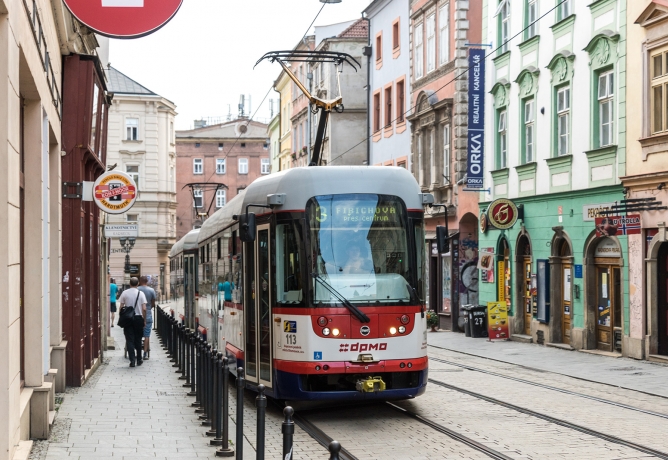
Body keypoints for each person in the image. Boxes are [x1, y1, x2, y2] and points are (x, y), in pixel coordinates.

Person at [118, 277, 147, 368]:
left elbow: (121, 307)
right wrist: (144, 320)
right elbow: (144, 309)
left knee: (129, 340)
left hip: (128, 319)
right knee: (138, 339)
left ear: (129, 284)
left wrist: (121, 317)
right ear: (138, 284)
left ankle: (132, 361)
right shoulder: (141, 293)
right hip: (138, 318)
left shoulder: (124, 293)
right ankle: (139, 359)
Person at [138, 276, 156, 361]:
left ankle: (137, 352)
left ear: (140, 281)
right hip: (148, 313)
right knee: (147, 335)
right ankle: (145, 353)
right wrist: (149, 307)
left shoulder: (137, 290)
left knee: (137, 334)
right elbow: (153, 303)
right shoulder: (151, 290)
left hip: (137, 313)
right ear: (147, 281)